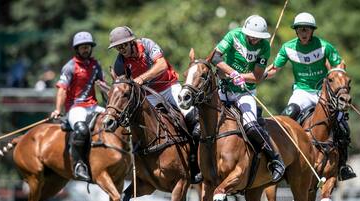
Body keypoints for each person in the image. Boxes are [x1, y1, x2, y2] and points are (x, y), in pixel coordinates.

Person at [265, 12, 356, 181]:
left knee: (343, 126)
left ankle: (342, 166)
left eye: (306, 29)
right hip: (302, 92)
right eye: (300, 29)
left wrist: (339, 84)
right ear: (296, 31)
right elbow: (274, 69)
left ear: (312, 31)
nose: (303, 32)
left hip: (324, 93)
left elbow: (339, 67)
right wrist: (261, 74)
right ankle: (282, 160)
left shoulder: (324, 46)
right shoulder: (288, 47)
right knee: (286, 116)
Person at [108, 26, 202, 184]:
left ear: (131, 42)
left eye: (123, 45)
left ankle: (197, 164)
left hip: (169, 87)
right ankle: (142, 170)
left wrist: (142, 79)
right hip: (148, 95)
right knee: (136, 129)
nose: (121, 49)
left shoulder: (147, 45)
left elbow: (162, 65)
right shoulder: (119, 63)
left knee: (193, 120)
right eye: (118, 47)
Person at [210, 15, 285, 182]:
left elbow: (258, 76)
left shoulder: (265, 46)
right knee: (201, 124)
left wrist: (242, 77)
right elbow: (215, 57)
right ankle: (197, 164)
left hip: (245, 92)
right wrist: (232, 73)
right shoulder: (233, 35)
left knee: (251, 125)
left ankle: (274, 159)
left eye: (258, 37)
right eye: (252, 36)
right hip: (223, 89)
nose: (254, 39)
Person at [50, 31, 108, 182]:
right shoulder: (69, 67)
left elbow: (102, 85)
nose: (86, 49)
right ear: (76, 49)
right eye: (82, 47)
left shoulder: (96, 65)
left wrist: (109, 103)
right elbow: (62, 89)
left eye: (88, 47)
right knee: (82, 129)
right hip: (76, 108)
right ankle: (78, 164)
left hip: (93, 106)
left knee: (116, 120)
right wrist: (58, 109)